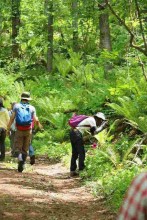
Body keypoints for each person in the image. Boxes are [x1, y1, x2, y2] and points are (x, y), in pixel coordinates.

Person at [7, 92, 42, 172]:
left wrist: (8, 128)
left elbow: (12, 118)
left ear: (21, 98)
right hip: (28, 130)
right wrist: (39, 126)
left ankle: (19, 157)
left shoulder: (16, 106)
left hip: (19, 130)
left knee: (18, 146)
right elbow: (36, 119)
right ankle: (22, 164)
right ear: (28, 99)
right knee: (25, 148)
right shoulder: (32, 108)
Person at [69, 112, 107, 177]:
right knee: (82, 152)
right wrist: (102, 126)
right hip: (77, 133)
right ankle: (81, 170)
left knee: (75, 153)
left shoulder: (90, 120)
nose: (100, 122)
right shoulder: (92, 120)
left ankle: (72, 171)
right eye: (101, 121)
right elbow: (95, 132)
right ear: (98, 119)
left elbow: (93, 133)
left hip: (73, 132)